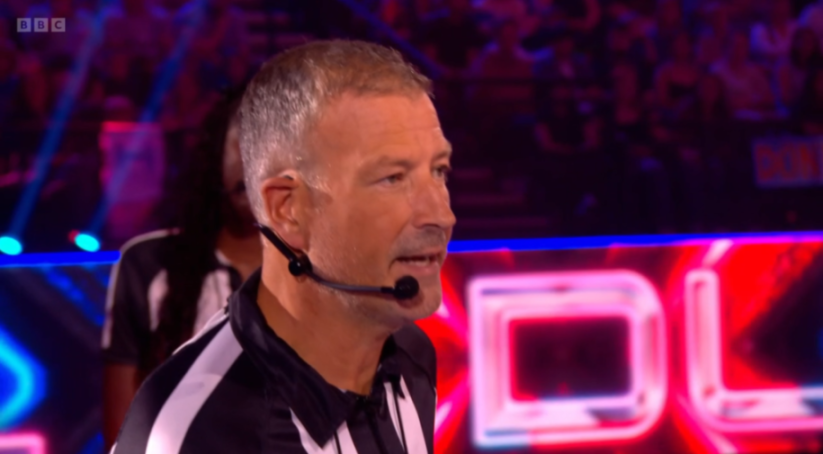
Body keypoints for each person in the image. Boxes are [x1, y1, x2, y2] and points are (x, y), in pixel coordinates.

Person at [111, 40, 454, 453]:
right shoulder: (197, 433)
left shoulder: (412, 361)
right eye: (392, 178)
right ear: (287, 209)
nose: (441, 214)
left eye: (439, 171)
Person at [101, 84, 262, 450]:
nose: (251, 162)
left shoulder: (321, 270)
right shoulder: (149, 263)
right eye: (240, 143)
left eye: (267, 147)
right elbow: (121, 431)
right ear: (213, 154)